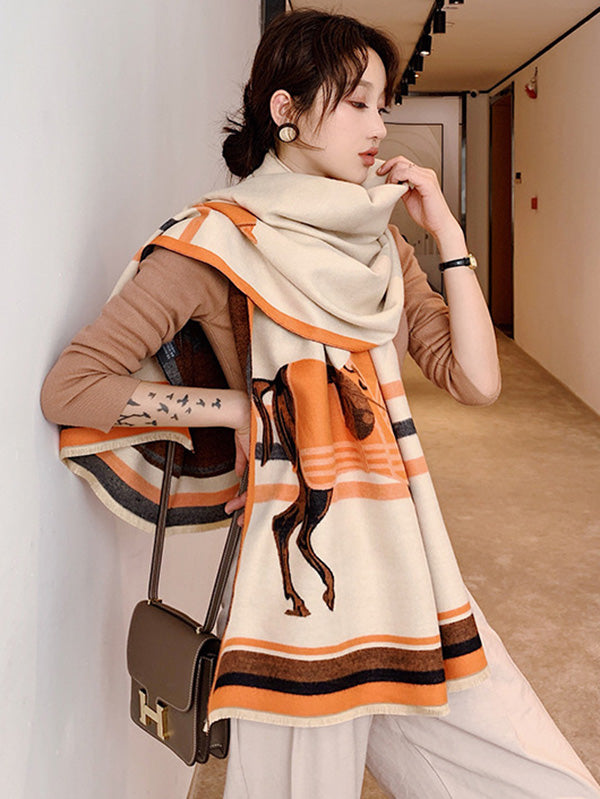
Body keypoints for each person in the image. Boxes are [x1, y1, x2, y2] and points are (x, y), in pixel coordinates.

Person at [40, 9, 600, 799]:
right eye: (358, 102)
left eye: (383, 106)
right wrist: (239, 413)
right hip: (297, 608)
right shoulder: (216, 242)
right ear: (287, 109)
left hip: (410, 573)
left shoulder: (379, 242)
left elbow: (476, 379)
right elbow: (73, 385)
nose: (379, 126)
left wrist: (447, 232)